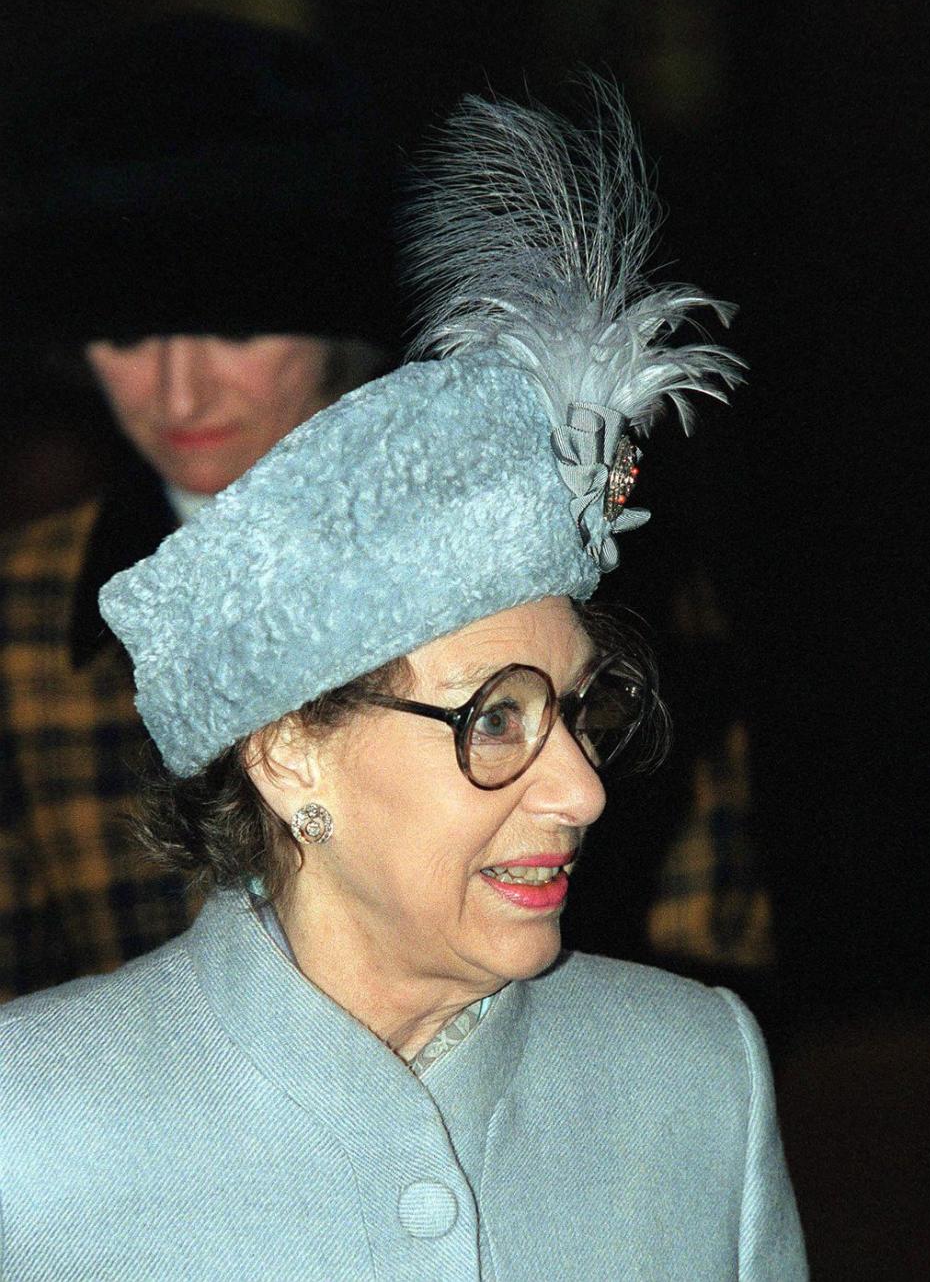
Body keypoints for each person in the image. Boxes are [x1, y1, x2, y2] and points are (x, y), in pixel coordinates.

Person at [0, 83, 806, 1279]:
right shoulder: (29, 1129)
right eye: (495, 718)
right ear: (286, 751)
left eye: (585, 710)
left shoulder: (702, 1079)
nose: (583, 791)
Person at [0, 15, 395, 998]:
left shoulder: (540, 565)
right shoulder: (19, 619)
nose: (179, 396)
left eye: (232, 325)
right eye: (129, 335)